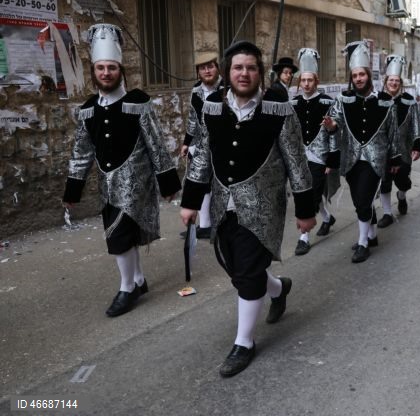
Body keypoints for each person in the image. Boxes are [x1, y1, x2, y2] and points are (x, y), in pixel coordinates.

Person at [180, 40, 316, 377]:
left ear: (261, 73)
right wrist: (190, 202)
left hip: (262, 208)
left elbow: (297, 163)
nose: (244, 73)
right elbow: (203, 157)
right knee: (235, 265)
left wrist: (305, 210)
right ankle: (278, 288)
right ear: (228, 72)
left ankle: (244, 342)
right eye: (238, 67)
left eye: (251, 68)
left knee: (248, 273)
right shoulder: (212, 107)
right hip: (223, 204)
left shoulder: (279, 110)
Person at [63, 24, 181, 317]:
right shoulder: (88, 109)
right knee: (123, 235)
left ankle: (127, 288)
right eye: (101, 68)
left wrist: (168, 183)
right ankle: (138, 280)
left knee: (118, 236)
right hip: (107, 185)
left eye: (111, 68)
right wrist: (73, 189)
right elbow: (81, 152)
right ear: (94, 71)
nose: (106, 73)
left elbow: (156, 143)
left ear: (121, 70)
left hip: (136, 183)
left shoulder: (137, 102)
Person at [323, 41, 401, 263]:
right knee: (360, 199)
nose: (358, 78)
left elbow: (393, 132)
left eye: (362, 74)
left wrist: (395, 158)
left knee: (364, 199)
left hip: (375, 160)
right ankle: (372, 235)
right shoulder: (343, 99)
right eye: (355, 75)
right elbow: (335, 121)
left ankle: (363, 243)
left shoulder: (385, 102)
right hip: (351, 159)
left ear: (368, 75)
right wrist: (331, 125)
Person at [290, 47, 340, 255]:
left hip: (320, 157)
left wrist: (332, 160)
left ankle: (303, 237)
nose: (306, 84)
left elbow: (334, 132)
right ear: (299, 81)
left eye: (310, 80)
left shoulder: (328, 102)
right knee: (304, 194)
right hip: (300, 157)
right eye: (303, 80)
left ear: (316, 81)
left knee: (312, 194)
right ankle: (327, 218)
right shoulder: (293, 104)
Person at [377, 55, 420, 228]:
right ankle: (387, 213)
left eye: (396, 80)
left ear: (400, 83)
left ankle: (401, 196)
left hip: (403, 150)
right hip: (383, 151)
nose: (393, 83)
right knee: (384, 183)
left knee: (403, 182)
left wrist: (417, 146)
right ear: (385, 81)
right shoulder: (377, 100)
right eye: (391, 80)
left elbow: (416, 125)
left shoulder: (409, 101)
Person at [180, 51, 222, 239]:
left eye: (210, 66)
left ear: (217, 68)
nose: (207, 71)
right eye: (203, 68)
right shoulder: (196, 90)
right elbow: (192, 119)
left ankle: (222, 225)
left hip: (221, 145)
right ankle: (205, 225)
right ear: (198, 72)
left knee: (221, 184)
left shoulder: (227, 88)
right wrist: (186, 142)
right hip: (200, 145)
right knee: (202, 184)